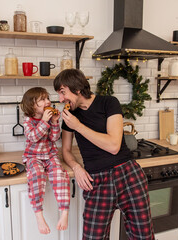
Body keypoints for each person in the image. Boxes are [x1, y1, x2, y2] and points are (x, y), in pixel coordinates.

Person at [54, 69, 154, 240]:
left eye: (63, 93)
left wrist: (78, 126)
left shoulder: (109, 103)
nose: (61, 99)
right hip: (97, 181)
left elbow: (114, 146)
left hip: (128, 174)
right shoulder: (70, 116)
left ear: (77, 89)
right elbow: (66, 150)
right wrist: (77, 167)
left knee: (143, 236)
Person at [20, 87, 70, 234]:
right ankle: (39, 215)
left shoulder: (49, 118)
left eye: (47, 98)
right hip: (33, 156)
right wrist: (44, 121)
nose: (48, 101)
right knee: (36, 175)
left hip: (50, 155)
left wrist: (54, 122)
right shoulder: (28, 120)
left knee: (59, 175)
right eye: (42, 99)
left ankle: (64, 212)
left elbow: (54, 138)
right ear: (32, 105)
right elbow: (33, 137)